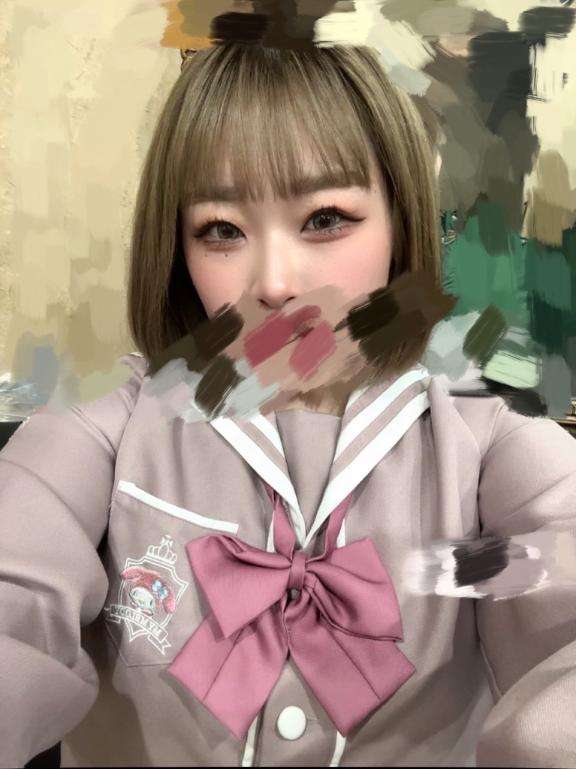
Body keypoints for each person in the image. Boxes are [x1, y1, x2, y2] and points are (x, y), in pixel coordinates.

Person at [1, 41, 575, 769]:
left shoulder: (487, 436)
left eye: (326, 218)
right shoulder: (104, 428)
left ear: (399, 223)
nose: (275, 283)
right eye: (221, 229)